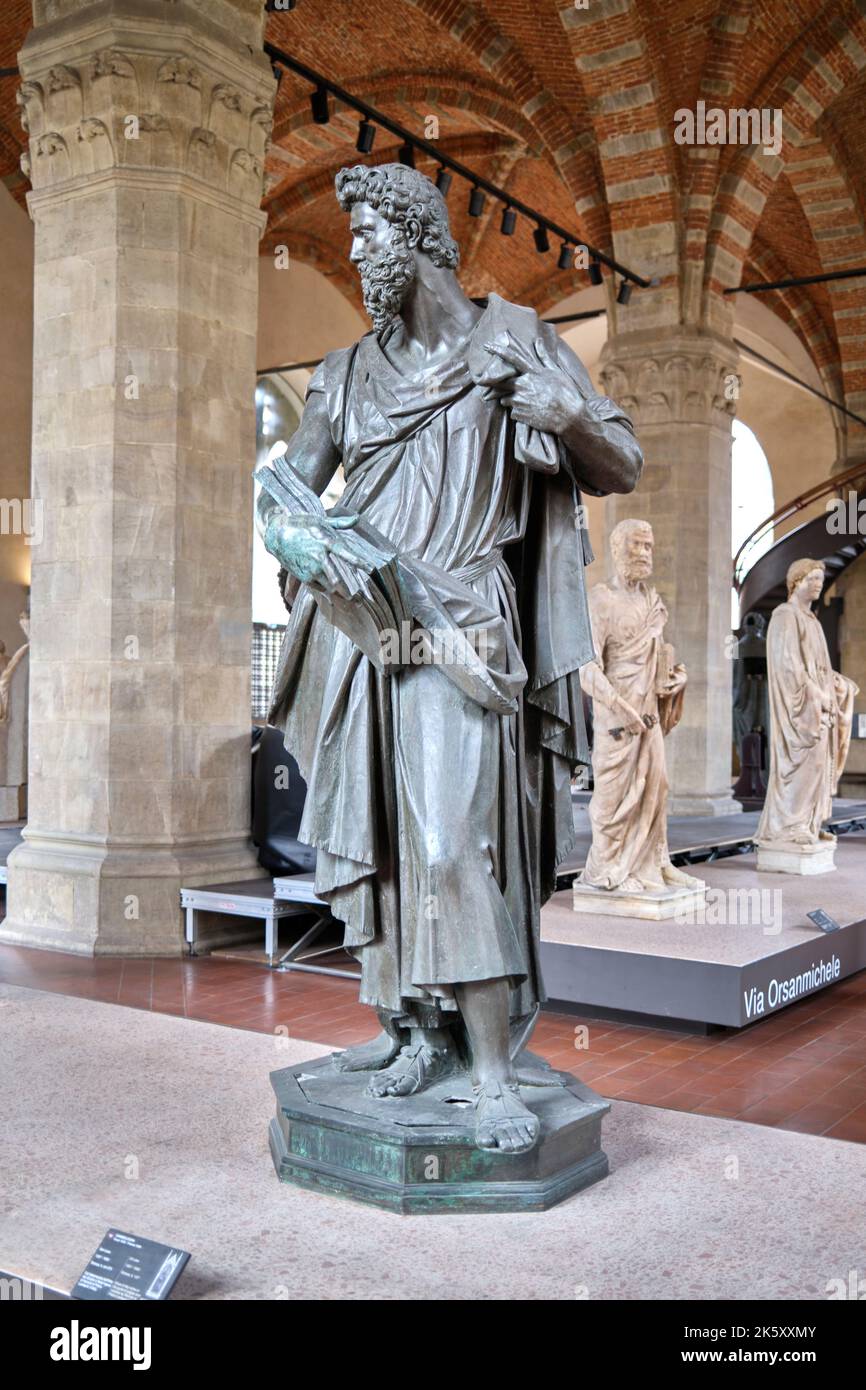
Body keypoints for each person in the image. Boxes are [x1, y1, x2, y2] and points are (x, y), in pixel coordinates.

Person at [257, 163, 641, 1153]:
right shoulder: (340, 378)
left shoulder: (511, 341)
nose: (352, 254)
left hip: (461, 622)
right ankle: (415, 1035)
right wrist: (307, 544)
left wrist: (569, 415)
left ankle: (487, 1067)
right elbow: (285, 500)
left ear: (421, 239)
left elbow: (621, 461)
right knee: (380, 850)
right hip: (366, 631)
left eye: (367, 238)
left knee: (445, 844)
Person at [578, 518, 700, 893]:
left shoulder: (652, 601)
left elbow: (657, 660)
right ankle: (608, 871)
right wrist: (618, 704)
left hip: (648, 716)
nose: (646, 553)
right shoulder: (602, 599)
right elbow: (586, 666)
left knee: (657, 787)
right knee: (615, 800)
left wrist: (678, 680)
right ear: (617, 550)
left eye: (649, 546)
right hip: (617, 722)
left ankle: (654, 863)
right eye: (637, 546)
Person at [756, 559, 858, 848]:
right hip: (802, 710)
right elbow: (789, 666)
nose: (817, 584)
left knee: (819, 765)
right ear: (795, 582)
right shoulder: (785, 615)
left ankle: (810, 823)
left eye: (820, 580)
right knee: (804, 765)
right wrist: (817, 694)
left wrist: (836, 684)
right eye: (811, 579)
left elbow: (818, 666)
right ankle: (789, 826)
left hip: (820, 706)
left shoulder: (811, 620)